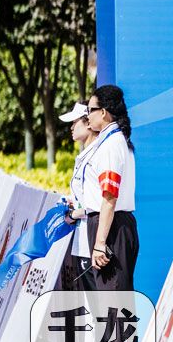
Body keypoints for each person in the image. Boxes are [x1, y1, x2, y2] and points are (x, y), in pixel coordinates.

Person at [75, 84, 139, 291]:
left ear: (102, 112)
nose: (87, 117)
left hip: (112, 229)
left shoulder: (112, 145)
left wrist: (100, 243)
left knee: (114, 304)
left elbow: (109, 197)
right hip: (109, 225)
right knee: (111, 303)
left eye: (89, 111)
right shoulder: (110, 141)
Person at [57, 101, 99, 290]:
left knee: (99, 305)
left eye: (75, 122)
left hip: (91, 241)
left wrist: (73, 215)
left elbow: (95, 202)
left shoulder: (96, 155)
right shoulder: (83, 156)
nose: (71, 127)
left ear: (89, 123)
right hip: (82, 241)